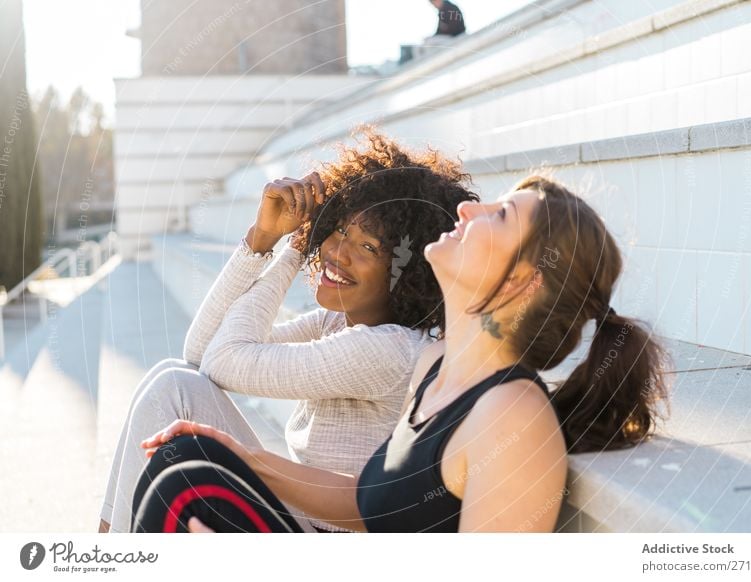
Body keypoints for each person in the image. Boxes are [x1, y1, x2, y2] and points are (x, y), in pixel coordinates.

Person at [131, 174, 670, 533]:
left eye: (499, 216)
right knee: (186, 461)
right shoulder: (437, 368)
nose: (467, 207)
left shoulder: (513, 416)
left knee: (185, 485)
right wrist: (244, 457)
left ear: (522, 283)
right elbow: (368, 506)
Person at [98, 131, 478, 533]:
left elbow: (223, 361)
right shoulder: (338, 323)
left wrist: (295, 248)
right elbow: (200, 351)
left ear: (407, 275)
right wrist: (261, 238)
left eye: (367, 247)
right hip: (302, 523)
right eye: (337, 230)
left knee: (173, 387)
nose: (336, 251)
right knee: (173, 379)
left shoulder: (387, 349)